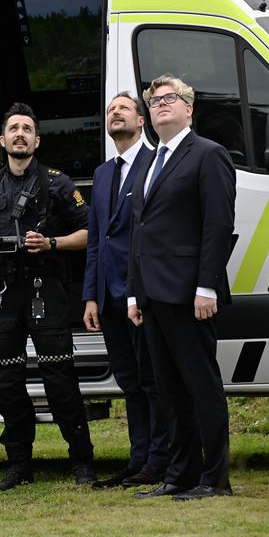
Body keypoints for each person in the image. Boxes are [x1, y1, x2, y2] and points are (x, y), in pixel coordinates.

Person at [0, 103, 95, 491]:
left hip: (47, 291)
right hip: (3, 294)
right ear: (2, 139)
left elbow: (90, 233)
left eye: (27, 129)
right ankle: (19, 464)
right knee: (7, 381)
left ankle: (82, 461)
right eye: (13, 129)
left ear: (37, 139)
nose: (20, 134)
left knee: (60, 380)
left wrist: (51, 242)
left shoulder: (58, 183)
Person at [127, 75, 235, 500]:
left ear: (189, 108)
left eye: (170, 98)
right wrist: (135, 292)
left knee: (200, 386)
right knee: (169, 393)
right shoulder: (150, 161)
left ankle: (215, 478)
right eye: (154, 101)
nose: (160, 105)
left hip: (191, 294)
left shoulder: (208, 155)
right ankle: (180, 475)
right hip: (152, 296)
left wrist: (206, 285)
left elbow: (218, 225)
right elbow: (140, 231)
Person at [83, 93, 169, 489]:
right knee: (130, 382)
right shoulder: (102, 174)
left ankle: (160, 460)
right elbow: (97, 241)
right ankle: (137, 463)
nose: (114, 113)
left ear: (141, 118)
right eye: (109, 109)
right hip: (110, 297)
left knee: (153, 381)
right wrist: (91, 296)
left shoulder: (157, 164)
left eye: (123, 108)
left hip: (144, 294)